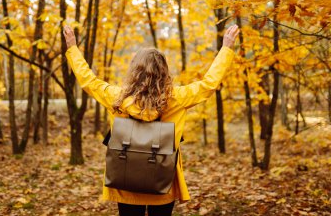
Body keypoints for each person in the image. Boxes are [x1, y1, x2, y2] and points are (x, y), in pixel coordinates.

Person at [63, 24, 239, 216]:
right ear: (164, 71)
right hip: (163, 184)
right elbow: (208, 84)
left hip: (125, 183)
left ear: (134, 71)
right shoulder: (176, 98)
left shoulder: (117, 98)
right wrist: (226, 49)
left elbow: (89, 81)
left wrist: (72, 48)